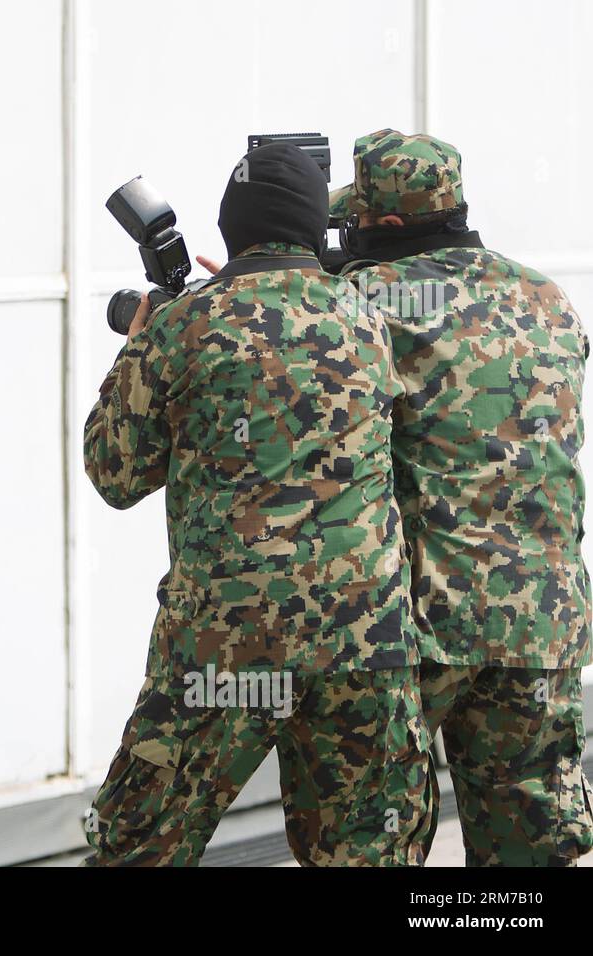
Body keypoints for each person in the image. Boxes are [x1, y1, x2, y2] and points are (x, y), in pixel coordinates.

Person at [83, 143, 432, 866]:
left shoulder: (184, 328)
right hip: (360, 636)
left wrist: (143, 345)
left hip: (223, 642)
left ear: (227, 227)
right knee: (370, 851)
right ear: (315, 227)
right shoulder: (376, 321)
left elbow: (114, 475)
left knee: (139, 848)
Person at [334, 129, 593, 866]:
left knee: (370, 838)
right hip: (542, 616)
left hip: (424, 620)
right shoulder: (547, 294)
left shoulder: (363, 300)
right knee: (529, 849)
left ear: (380, 225)